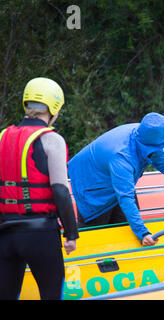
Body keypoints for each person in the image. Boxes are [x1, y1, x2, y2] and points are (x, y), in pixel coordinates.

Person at [68, 112, 164, 246]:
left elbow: (161, 161)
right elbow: (125, 197)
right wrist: (142, 232)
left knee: (124, 227)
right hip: (92, 186)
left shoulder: (144, 134)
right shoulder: (122, 158)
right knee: (96, 237)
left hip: (112, 177)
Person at [0, 77, 79, 300]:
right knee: (51, 295)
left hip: (6, 234)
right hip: (40, 234)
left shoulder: (2, 137)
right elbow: (61, 190)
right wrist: (71, 234)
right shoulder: (52, 140)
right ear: (54, 108)